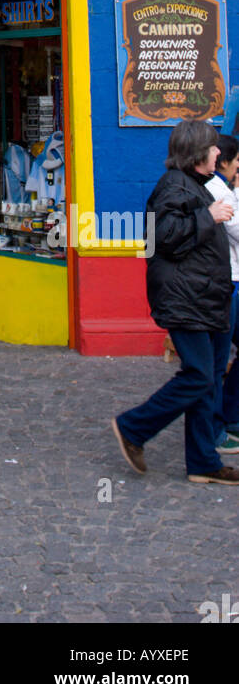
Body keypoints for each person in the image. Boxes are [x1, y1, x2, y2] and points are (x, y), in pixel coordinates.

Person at [112, 119, 239, 484]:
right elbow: (162, 237)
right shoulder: (172, 186)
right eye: (212, 147)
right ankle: (133, 427)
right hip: (186, 298)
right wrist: (208, 216)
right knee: (198, 375)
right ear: (197, 152)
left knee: (209, 378)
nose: (218, 152)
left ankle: (203, 462)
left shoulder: (197, 185)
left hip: (206, 297)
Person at [205, 133, 239, 452]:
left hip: (230, 281)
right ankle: (216, 429)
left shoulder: (224, 188)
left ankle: (229, 416)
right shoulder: (217, 190)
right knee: (215, 361)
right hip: (227, 284)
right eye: (237, 160)